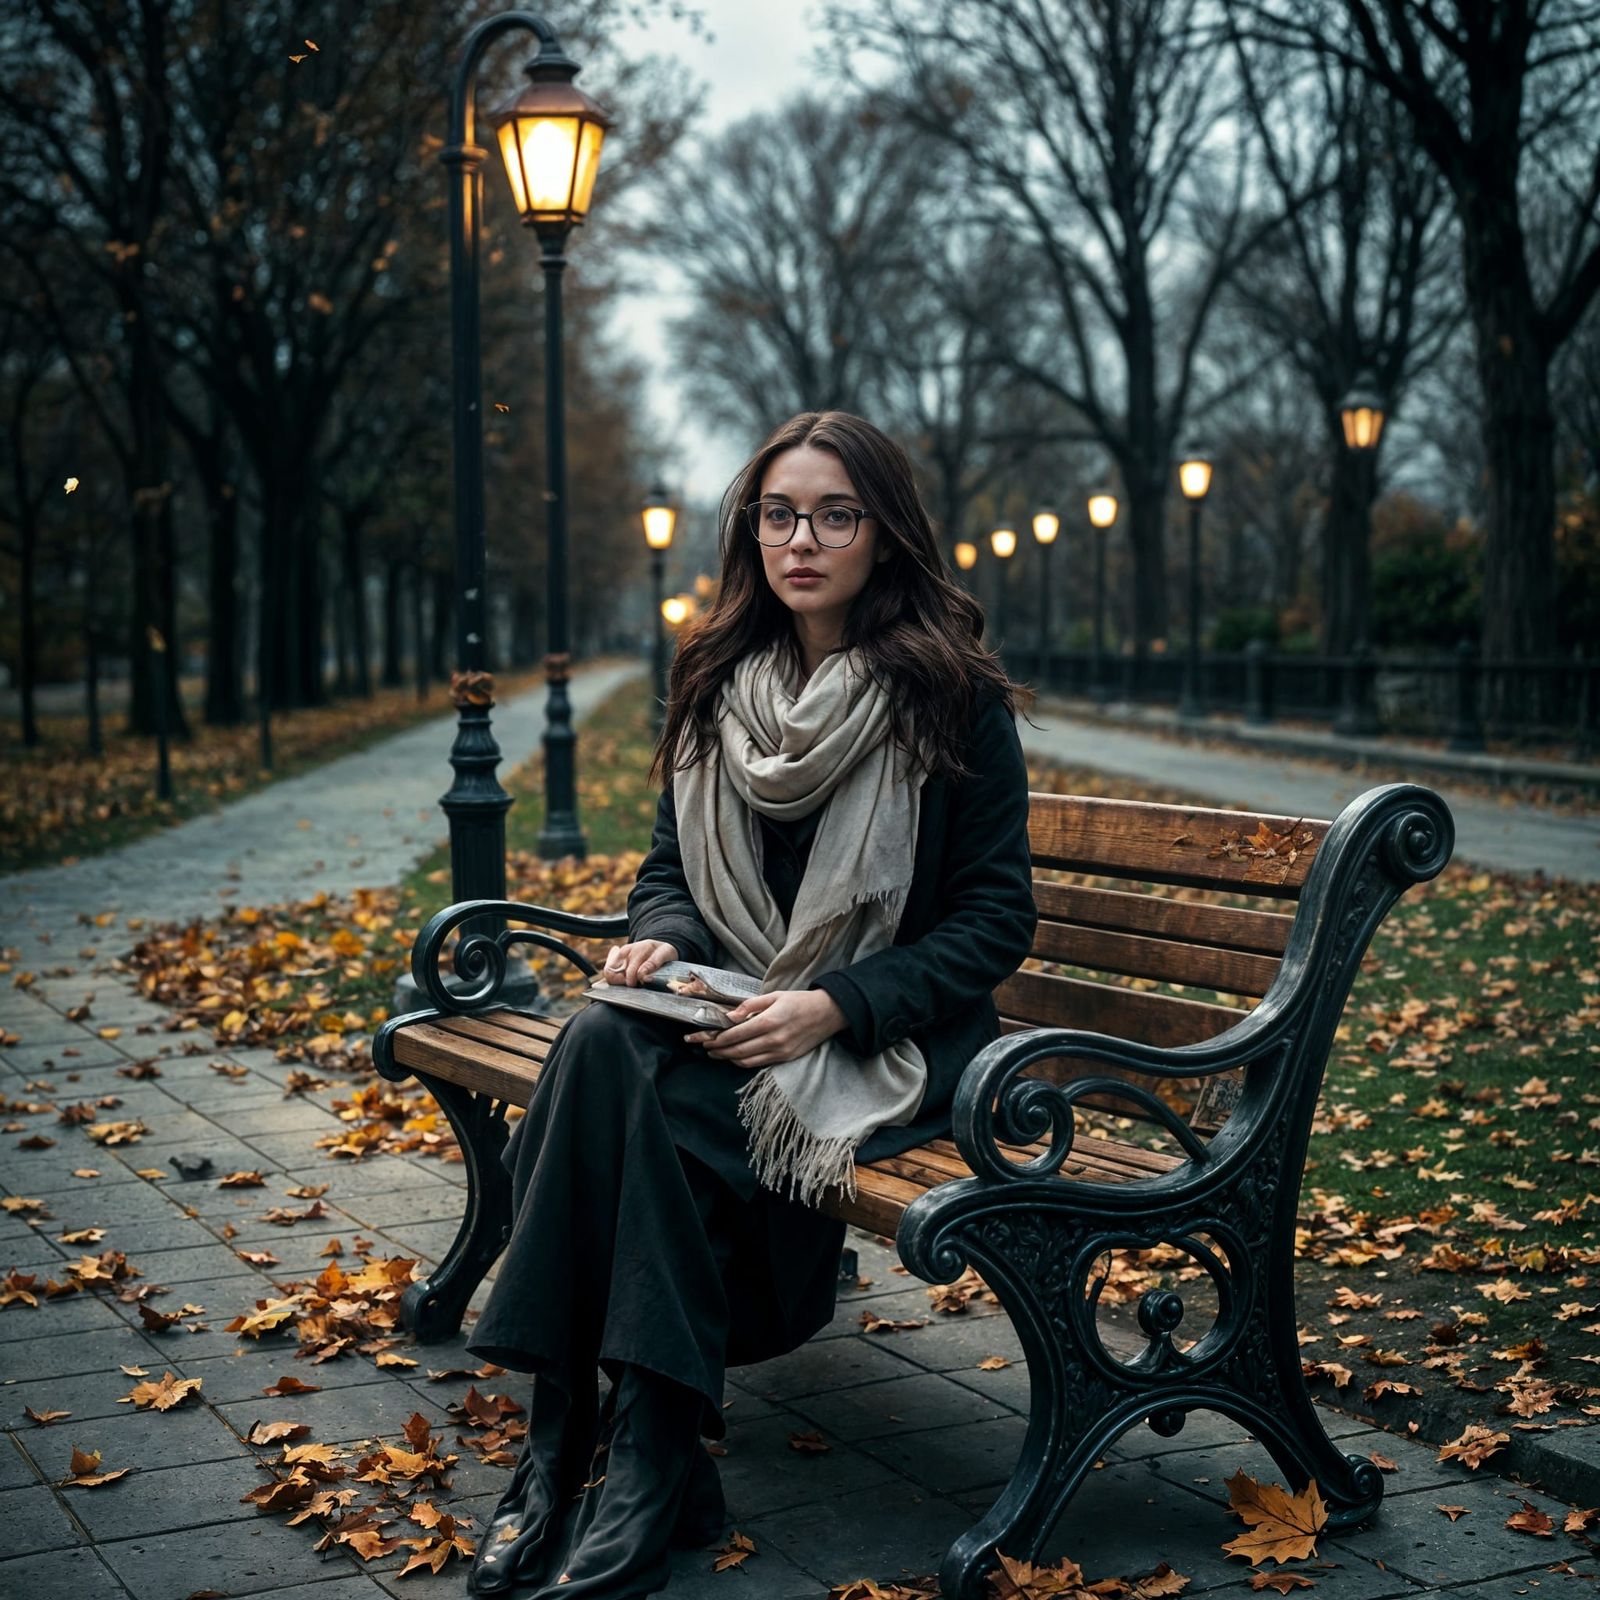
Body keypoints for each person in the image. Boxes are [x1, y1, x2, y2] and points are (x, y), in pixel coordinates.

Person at [462, 410, 1038, 1599]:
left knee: (613, 1091)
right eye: (779, 514)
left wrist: (833, 1004)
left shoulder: (950, 697)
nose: (802, 539)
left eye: (835, 514)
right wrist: (657, 946)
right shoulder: (719, 679)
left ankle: (587, 1447)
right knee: (602, 1037)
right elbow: (670, 875)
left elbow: (993, 922)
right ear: (751, 531)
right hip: (722, 1023)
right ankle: (626, 1451)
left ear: (884, 533)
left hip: (890, 1051)